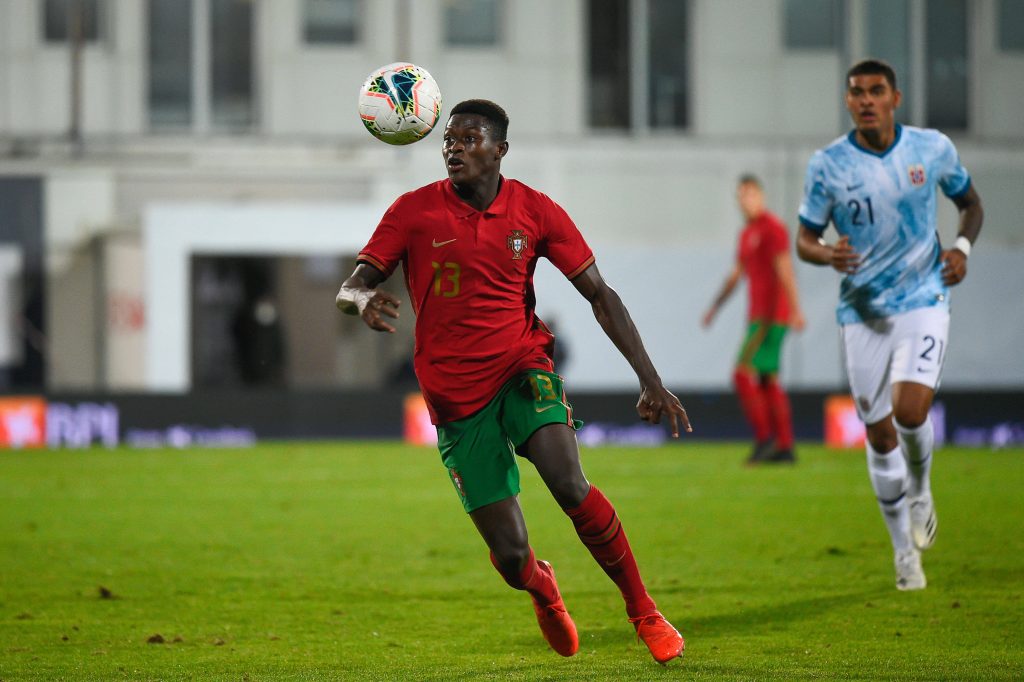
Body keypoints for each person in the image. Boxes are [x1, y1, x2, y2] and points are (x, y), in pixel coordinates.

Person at [336, 99, 690, 664]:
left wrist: (649, 379)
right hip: (454, 398)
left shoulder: (536, 210)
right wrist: (361, 300)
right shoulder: (413, 211)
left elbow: (600, 294)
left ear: (499, 150)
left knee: (569, 482)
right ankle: (541, 587)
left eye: (469, 139)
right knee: (510, 555)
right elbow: (350, 286)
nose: (454, 148)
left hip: (522, 367)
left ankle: (644, 611)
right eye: (448, 139)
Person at [795, 60, 983, 590]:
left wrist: (962, 248)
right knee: (878, 436)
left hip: (924, 299)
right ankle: (905, 553)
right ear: (849, 101)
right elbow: (804, 238)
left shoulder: (931, 149)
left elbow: (970, 204)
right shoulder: (828, 164)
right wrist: (827, 253)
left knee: (909, 410)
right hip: (862, 312)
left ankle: (921, 486)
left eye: (876, 91)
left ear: (895, 98)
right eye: (856, 93)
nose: (866, 100)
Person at [702, 174, 805, 465]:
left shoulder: (773, 228)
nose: (744, 202)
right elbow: (736, 276)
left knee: (742, 373)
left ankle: (765, 441)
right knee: (766, 380)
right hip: (758, 316)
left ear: (761, 196)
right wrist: (715, 307)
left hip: (772, 316)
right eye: (740, 197)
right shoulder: (747, 233)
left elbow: (784, 269)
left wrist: (795, 309)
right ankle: (784, 446)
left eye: (749, 195)